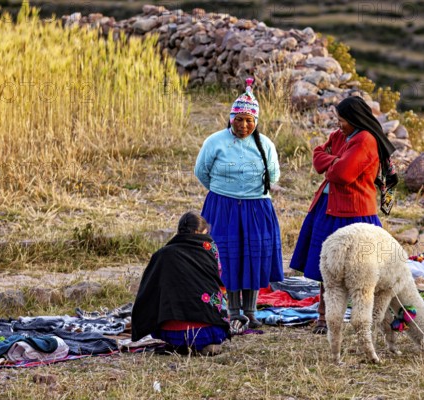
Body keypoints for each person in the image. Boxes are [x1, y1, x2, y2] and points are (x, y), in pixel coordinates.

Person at [289, 96, 397, 334]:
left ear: (354, 119)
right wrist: (335, 161)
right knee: (327, 267)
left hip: (354, 213)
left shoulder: (365, 140)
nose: (338, 124)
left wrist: (334, 163)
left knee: (365, 271)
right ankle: (324, 317)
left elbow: (343, 175)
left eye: (342, 120)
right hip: (328, 207)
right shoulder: (340, 136)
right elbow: (318, 159)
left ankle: (377, 317)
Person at [194, 78, 283, 331]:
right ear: (230, 118)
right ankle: (233, 312)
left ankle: (251, 313)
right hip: (223, 207)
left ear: (256, 122)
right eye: (239, 119)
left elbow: (274, 176)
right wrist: (226, 190)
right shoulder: (215, 141)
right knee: (229, 257)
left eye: (249, 120)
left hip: (257, 209)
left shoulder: (265, 145)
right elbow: (202, 172)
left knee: (253, 256)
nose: (243, 125)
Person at [131, 211, 230, 356]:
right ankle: (203, 345)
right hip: (209, 332)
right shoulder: (209, 248)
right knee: (220, 302)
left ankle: (179, 345)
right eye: (205, 233)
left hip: (171, 334)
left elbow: (148, 292)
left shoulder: (163, 254)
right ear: (198, 232)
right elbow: (217, 279)